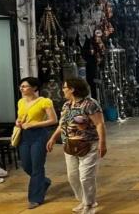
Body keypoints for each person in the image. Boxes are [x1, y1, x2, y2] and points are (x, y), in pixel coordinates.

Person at [47, 78, 107, 214]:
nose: (62, 90)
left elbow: (99, 124)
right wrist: (52, 138)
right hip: (69, 145)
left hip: (88, 144)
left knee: (86, 176)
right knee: (72, 176)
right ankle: (84, 200)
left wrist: (102, 143)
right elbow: (62, 124)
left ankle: (90, 205)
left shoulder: (90, 104)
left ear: (72, 89)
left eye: (64, 88)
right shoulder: (66, 105)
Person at [16, 77, 58, 209]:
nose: (22, 88)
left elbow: (53, 120)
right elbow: (20, 117)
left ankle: (35, 198)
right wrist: (18, 122)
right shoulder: (21, 102)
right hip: (24, 135)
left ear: (34, 88)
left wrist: (35, 124)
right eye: (21, 86)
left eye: (25, 86)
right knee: (26, 165)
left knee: (37, 167)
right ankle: (43, 182)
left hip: (39, 135)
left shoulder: (44, 101)